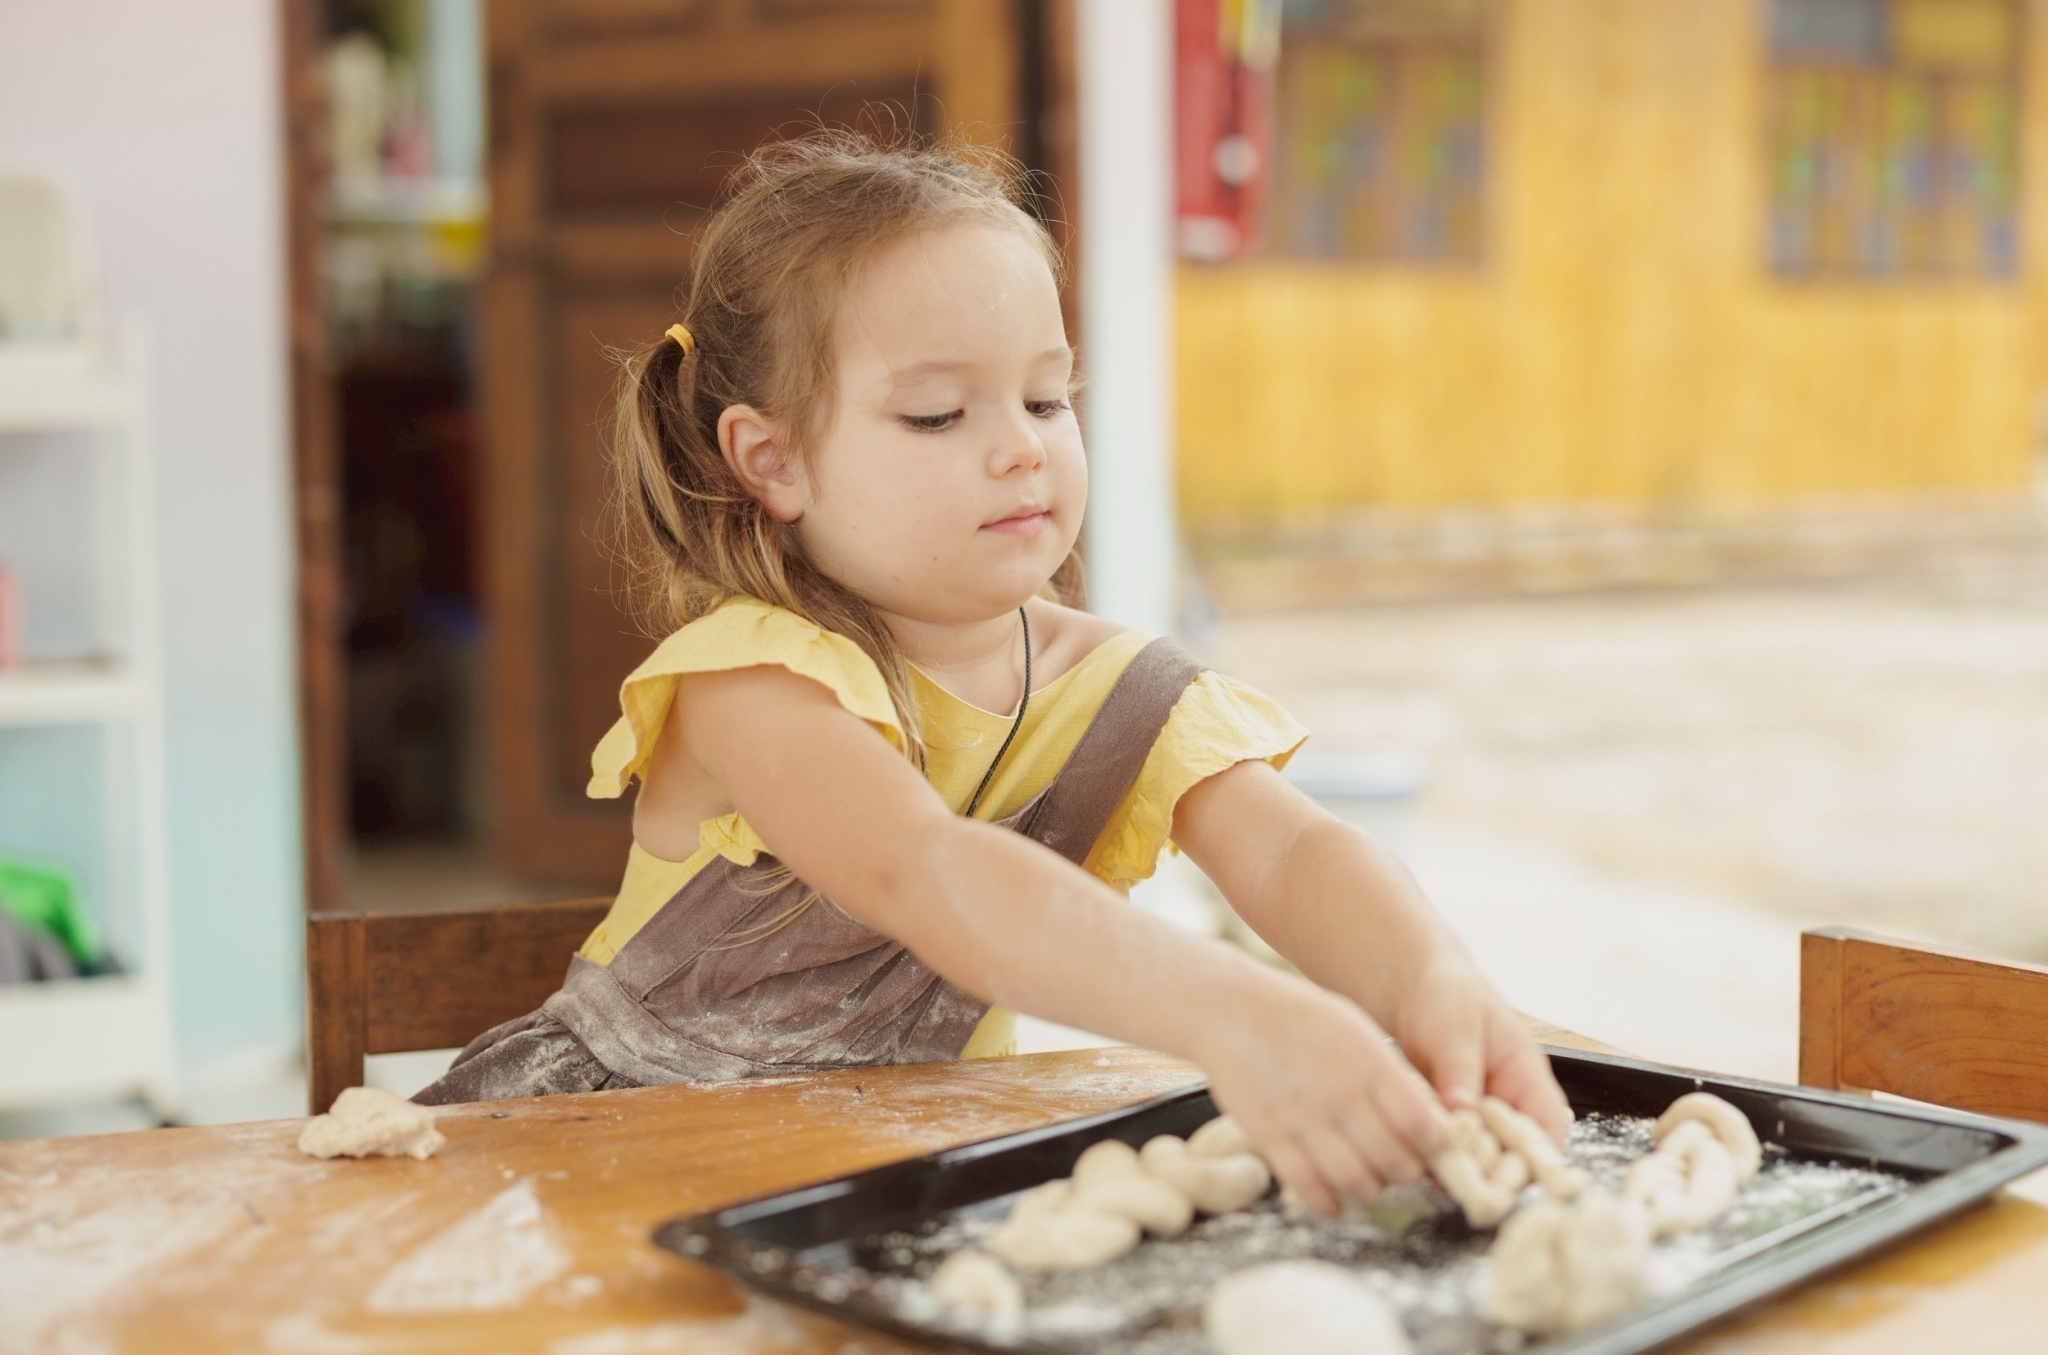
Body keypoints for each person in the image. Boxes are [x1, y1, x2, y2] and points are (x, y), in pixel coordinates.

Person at [416, 131, 1570, 1215]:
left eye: (1045, 397)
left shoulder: (1114, 691)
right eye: (935, 414)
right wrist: (1233, 1011)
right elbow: (932, 873)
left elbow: (1290, 848)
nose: (1021, 444)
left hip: (880, 1182)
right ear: (770, 460)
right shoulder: (751, 680)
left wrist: (1428, 981)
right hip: (604, 1165)